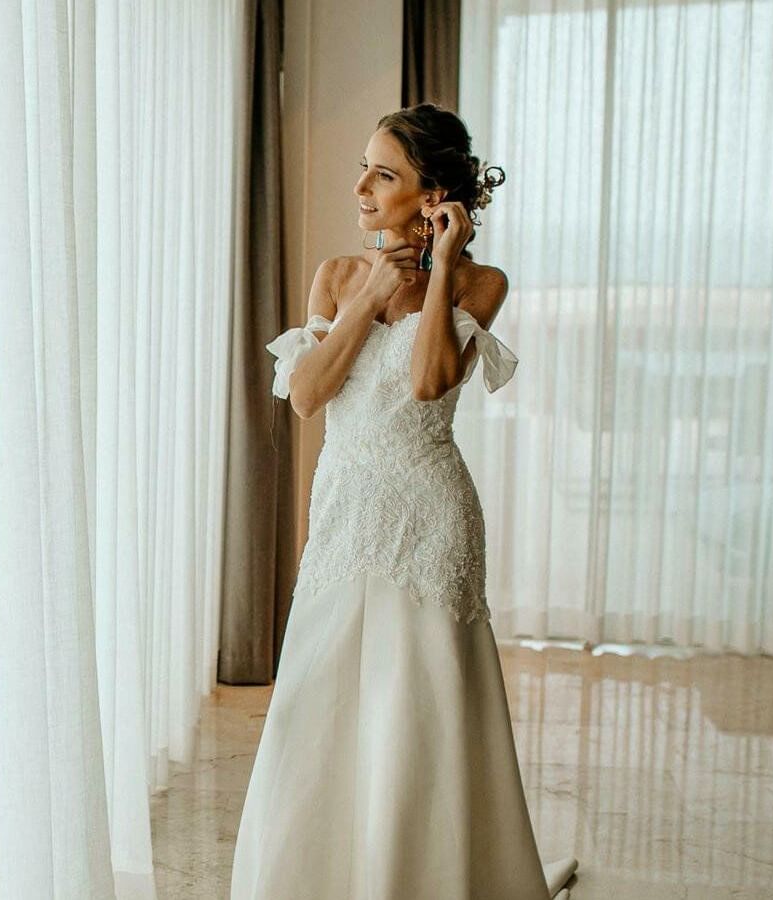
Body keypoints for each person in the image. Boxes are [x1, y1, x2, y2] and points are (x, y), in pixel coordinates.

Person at [228, 104, 579, 899]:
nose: (360, 187)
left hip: (430, 519)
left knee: (420, 713)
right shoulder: (337, 275)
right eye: (364, 167)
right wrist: (370, 292)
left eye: (383, 174)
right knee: (317, 701)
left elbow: (427, 384)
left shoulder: (482, 282)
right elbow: (309, 398)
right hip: (346, 514)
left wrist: (441, 266)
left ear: (433, 196)